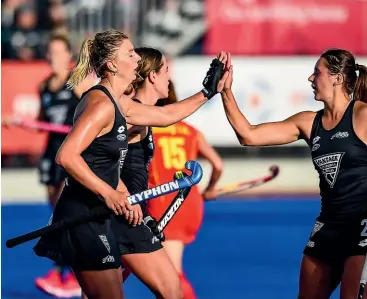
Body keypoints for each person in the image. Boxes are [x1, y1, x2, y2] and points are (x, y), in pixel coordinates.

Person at [33, 29, 229, 299]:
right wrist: (112, 193)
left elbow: (165, 115)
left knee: (166, 289)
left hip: (101, 211)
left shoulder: (119, 102)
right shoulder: (101, 104)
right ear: (113, 65)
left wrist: (207, 91)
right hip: (84, 214)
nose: (137, 58)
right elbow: (66, 156)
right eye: (130, 53)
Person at [220, 49, 367, 299]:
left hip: (362, 228)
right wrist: (225, 91)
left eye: (316, 72)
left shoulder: (363, 116)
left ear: (337, 78)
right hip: (328, 227)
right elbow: (249, 135)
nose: (311, 79)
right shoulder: (309, 123)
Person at [2, 34, 93, 298]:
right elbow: (41, 120)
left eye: (58, 52)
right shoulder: (44, 87)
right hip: (52, 155)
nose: (53, 57)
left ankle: (74, 272)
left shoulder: (75, 83)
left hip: (73, 154)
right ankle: (63, 270)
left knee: (68, 215)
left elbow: (94, 111)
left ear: (68, 56)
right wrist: (19, 121)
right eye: (50, 52)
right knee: (56, 216)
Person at [147, 79, 223, 299]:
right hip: (190, 203)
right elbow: (217, 165)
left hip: (165, 205)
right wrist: (210, 189)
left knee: (171, 276)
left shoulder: (146, 129)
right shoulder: (190, 131)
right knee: (162, 275)